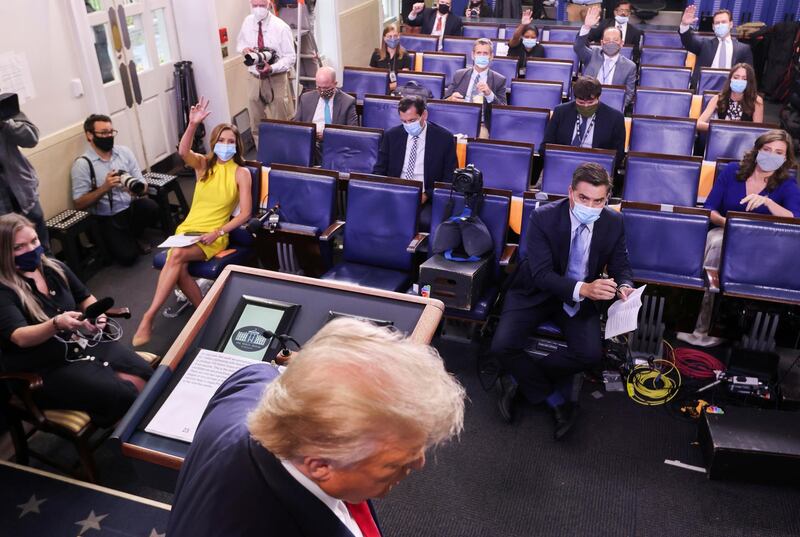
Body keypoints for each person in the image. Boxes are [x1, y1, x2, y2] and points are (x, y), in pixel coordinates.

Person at [167, 318, 465, 537]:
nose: (419, 462)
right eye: (393, 464)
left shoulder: (251, 383)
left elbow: (273, 373)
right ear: (320, 466)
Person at [490, 163, 633, 437]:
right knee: (502, 346)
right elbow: (541, 274)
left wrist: (625, 285)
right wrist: (585, 289)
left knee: (590, 355)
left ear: (607, 199)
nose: (591, 206)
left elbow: (621, 264)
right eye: (584, 198)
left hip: (579, 298)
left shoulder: (614, 222)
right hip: (535, 291)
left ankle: (519, 380)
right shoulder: (543, 217)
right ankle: (556, 401)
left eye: (599, 201)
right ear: (571, 193)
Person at [0, 213, 152, 427]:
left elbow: (84, 297)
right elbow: (20, 337)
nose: (32, 249)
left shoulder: (53, 267)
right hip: (46, 369)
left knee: (143, 374)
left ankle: (146, 432)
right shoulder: (4, 290)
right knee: (122, 393)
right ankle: (136, 447)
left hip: (81, 345)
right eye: (19, 247)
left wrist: (96, 315)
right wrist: (56, 324)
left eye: (34, 241)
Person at [132, 98, 253, 347]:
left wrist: (218, 231)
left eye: (231, 142)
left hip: (213, 235)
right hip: (187, 230)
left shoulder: (241, 172)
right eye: (222, 140)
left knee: (175, 258)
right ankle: (204, 313)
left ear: (237, 146)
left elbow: (245, 215)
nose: (226, 145)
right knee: (179, 269)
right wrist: (192, 124)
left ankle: (148, 316)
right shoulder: (204, 165)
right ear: (214, 142)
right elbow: (183, 151)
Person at [677, 129, 800, 347]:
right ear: (757, 150)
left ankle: (729, 325)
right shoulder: (733, 171)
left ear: (785, 158)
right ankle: (701, 326)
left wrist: (769, 203)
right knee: (715, 245)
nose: (772, 155)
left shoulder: (786, 184)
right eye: (767, 149)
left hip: (765, 242)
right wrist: (732, 224)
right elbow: (710, 209)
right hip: (726, 232)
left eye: (778, 152)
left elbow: (795, 219)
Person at [71, 114, 160, 266]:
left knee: (151, 207)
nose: (109, 136)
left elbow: (143, 184)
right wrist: (104, 188)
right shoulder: (83, 164)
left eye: (111, 132)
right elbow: (79, 203)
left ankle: (131, 236)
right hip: (107, 217)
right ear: (89, 135)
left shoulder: (124, 152)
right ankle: (127, 240)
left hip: (129, 207)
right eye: (104, 133)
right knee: (128, 257)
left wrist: (136, 190)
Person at [373, 96, 457, 230]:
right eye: (404, 121)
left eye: (412, 120)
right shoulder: (392, 135)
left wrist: (427, 194)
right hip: (395, 193)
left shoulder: (443, 138)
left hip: (426, 197)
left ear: (424, 114)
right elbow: (379, 170)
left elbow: (449, 178)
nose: (408, 125)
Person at [237, 0, 298, 137]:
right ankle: (261, 156)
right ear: (250, 4)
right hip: (254, 77)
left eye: (262, 5)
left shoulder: (281, 27)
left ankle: (284, 157)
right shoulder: (247, 22)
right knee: (256, 124)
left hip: (276, 77)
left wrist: (272, 68)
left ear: (269, 4)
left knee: (282, 122)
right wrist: (245, 50)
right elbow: (240, 44)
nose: (258, 9)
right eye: (255, 5)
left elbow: (290, 57)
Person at [541, 76, 626, 166]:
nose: (586, 106)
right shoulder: (561, 112)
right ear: (575, 99)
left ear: (598, 98)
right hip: (563, 163)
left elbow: (618, 155)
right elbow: (545, 146)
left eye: (590, 103)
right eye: (581, 103)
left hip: (596, 168)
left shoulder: (615, 118)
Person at [0, 100, 50, 252]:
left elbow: (31, 138)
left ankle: (50, 275)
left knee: (41, 248)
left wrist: (5, 123)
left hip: (24, 195)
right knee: (8, 258)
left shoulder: (6, 108)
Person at [574, 5, 637, 110]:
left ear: (622, 43)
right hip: (587, 104)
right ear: (602, 43)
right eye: (607, 40)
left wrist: (614, 110)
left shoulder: (630, 66)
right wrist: (586, 27)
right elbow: (578, 47)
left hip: (613, 109)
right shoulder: (592, 55)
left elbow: (628, 95)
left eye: (615, 40)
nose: (611, 43)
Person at [444, 38, 507, 138]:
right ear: (473, 55)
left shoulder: (499, 80)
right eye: (479, 53)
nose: (482, 56)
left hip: (481, 125)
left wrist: (489, 94)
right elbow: (443, 101)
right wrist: (451, 99)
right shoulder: (459, 74)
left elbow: (502, 111)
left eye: (485, 53)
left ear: (491, 56)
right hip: (457, 120)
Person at [679, 7, 754, 87]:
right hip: (704, 86)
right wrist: (684, 25)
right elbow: (688, 41)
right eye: (717, 23)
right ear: (713, 26)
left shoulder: (743, 49)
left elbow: (748, 74)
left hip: (730, 89)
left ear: (731, 24)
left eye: (724, 22)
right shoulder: (704, 44)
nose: (720, 25)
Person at [697, 63, 764, 132]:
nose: (739, 81)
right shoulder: (718, 98)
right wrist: (719, 128)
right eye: (736, 77)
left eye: (744, 79)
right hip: (721, 137)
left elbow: (757, 130)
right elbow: (699, 123)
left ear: (749, 82)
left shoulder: (756, 101)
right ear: (730, 79)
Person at [294, 67, 358, 138]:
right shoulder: (306, 98)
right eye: (319, 87)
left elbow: (352, 132)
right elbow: (297, 125)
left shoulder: (347, 102)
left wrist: (328, 135)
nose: (322, 91)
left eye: (326, 88)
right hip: (310, 140)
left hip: (334, 143)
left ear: (335, 84)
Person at [370, 25, 413, 92]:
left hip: (398, 91)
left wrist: (386, 88)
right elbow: (372, 77)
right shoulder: (376, 54)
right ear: (384, 38)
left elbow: (403, 80)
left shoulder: (405, 56)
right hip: (378, 90)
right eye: (389, 36)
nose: (393, 39)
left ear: (399, 37)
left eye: (395, 36)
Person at [507, 10, 546, 78]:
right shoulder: (516, 44)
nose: (529, 39)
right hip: (513, 77)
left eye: (533, 37)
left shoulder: (540, 49)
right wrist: (523, 25)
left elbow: (541, 68)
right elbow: (515, 37)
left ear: (536, 38)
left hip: (533, 78)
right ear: (522, 36)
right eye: (527, 37)